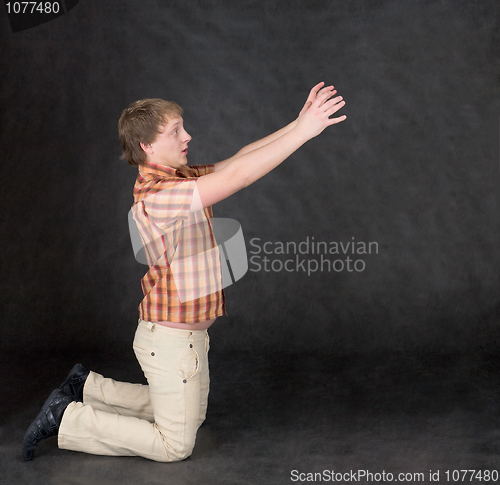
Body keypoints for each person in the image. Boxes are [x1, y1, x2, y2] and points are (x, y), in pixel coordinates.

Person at [22, 82, 346, 462]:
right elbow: (238, 176)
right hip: (170, 341)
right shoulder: (159, 196)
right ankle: (66, 417)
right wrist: (306, 131)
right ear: (147, 146)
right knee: (175, 445)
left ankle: (87, 387)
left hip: (182, 340)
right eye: (175, 130)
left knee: (193, 417)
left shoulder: (179, 178)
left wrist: (297, 124)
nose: (187, 136)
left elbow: (238, 159)